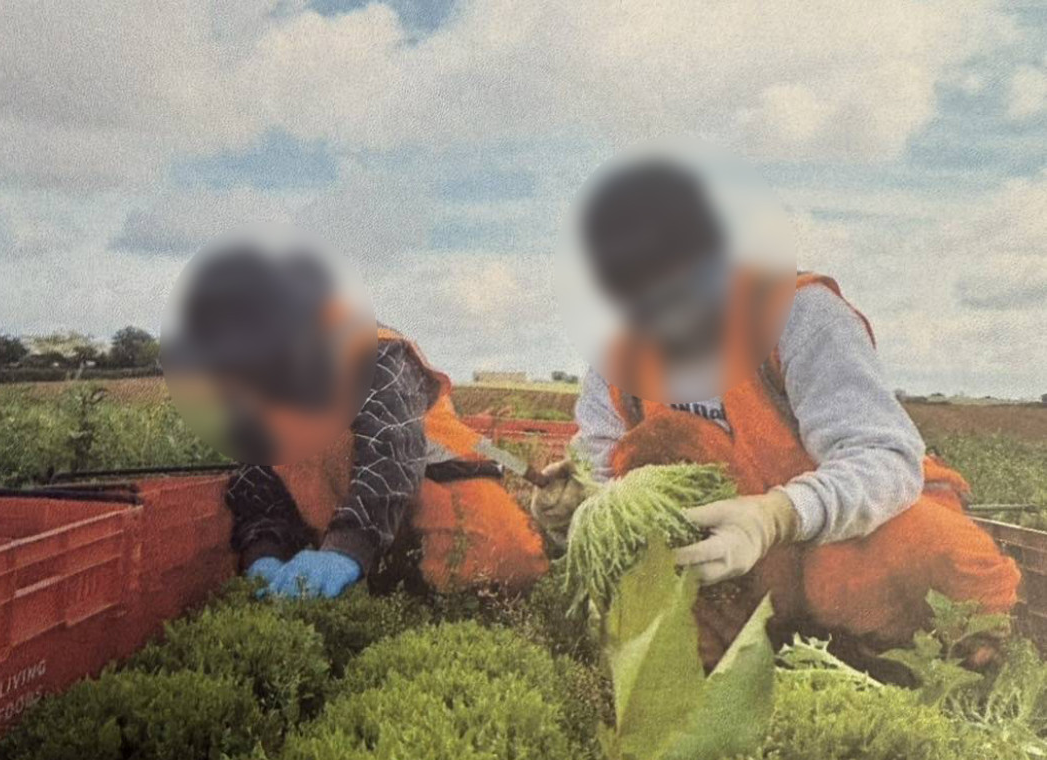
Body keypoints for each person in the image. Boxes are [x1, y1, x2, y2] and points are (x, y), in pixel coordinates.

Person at [532, 159, 1020, 667]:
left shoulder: (800, 315)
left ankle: (927, 663)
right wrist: (573, 510)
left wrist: (774, 517)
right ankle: (749, 660)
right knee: (655, 613)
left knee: (910, 552)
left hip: (835, 539)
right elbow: (605, 485)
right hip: (730, 563)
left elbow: (884, 458)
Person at [169, 235, 548, 599]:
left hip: (458, 518)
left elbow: (390, 451)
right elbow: (259, 488)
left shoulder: (372, 352)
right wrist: (262, 556)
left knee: (487, 578)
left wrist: (346, 550)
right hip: (372, 553)